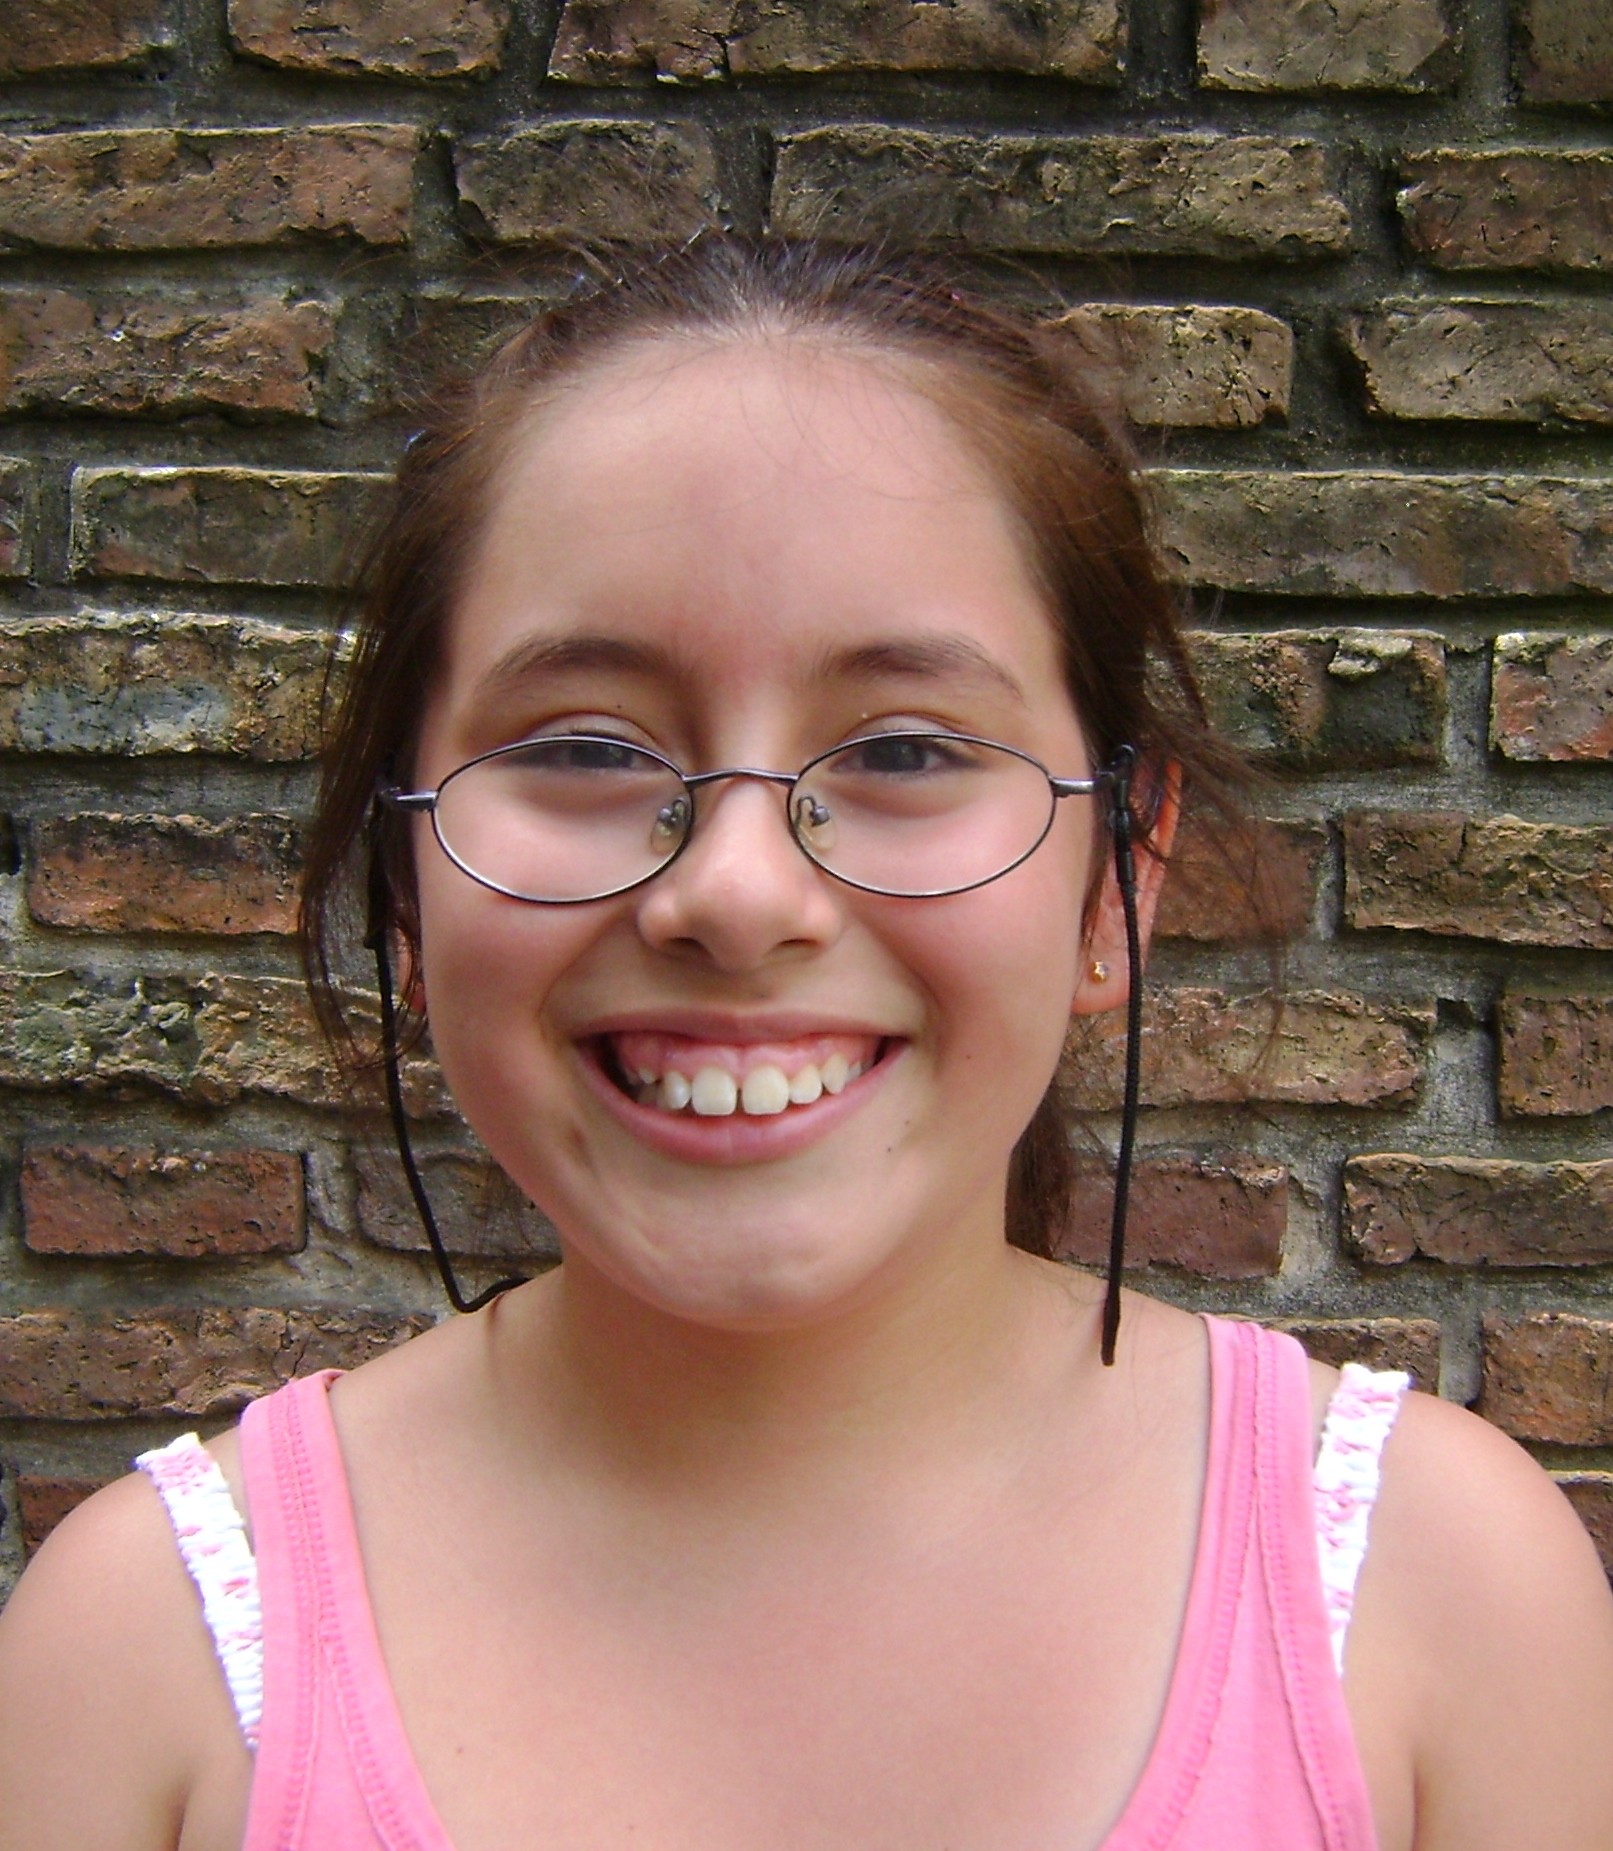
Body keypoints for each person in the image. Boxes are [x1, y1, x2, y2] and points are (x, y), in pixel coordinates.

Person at [2, 238, 1611, 1851]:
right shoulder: (137, 1664)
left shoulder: (1441, 1597)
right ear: (406, 877)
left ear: (1119, 877)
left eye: (903, 751)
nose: (736, 893)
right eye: (584, 749)